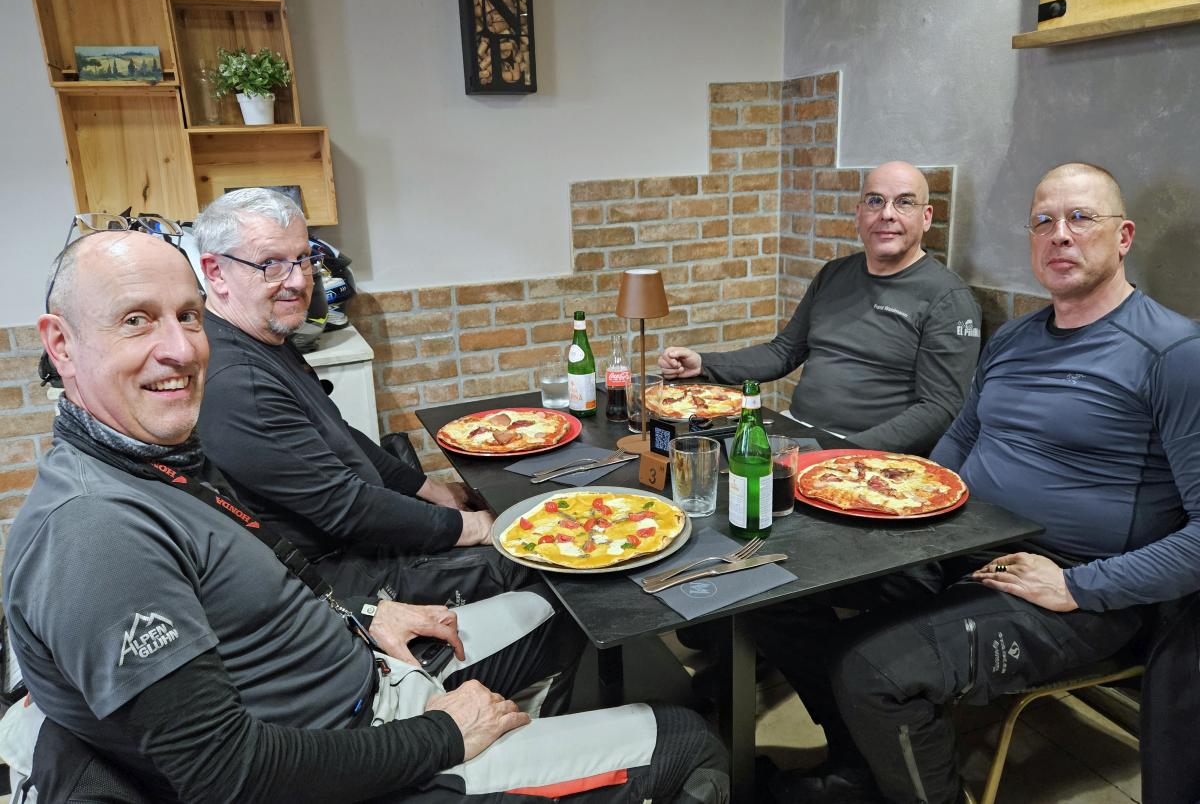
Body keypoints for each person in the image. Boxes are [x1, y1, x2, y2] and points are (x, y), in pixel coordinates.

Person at [1, 228, 728, 803]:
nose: (180, 349)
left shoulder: (152, 461)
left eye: (187, 317)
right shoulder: (94, 533)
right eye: (136, 321)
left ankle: (525, 757)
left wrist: (364, 616)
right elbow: (227, 775)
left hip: (367, 674)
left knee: (563, 610)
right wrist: (444, 737)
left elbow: (261, 582)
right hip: (353, 753)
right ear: (60, 344)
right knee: (689, 742)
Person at [757, 163, 1200, 804]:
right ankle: (863, 767)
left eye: (1081, 217)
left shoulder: (1175, 355)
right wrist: (910, 509)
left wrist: (1077, 586)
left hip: (1076, 587)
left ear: (1124, 236)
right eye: (1043, 221)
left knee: (871, 670)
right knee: (774, 590)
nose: (1060, 234)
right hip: (958, 543)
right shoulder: (1016, 338)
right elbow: (958, 443)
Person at [192, 188, 523, 610]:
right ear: (216, 272)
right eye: (270, 264)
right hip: (344, 573)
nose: (299, 281)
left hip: (360, 536)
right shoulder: (238, 382)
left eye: (303, 259)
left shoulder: (264, 334)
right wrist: (474, 527)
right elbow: (346, 508)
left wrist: (436, 491)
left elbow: (339, 435)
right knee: (532, 565)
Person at [659, 161, 981, 455]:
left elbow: (940, 409)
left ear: (927, 217)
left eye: (905, 202)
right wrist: (704, 364)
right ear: (859, 214)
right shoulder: (834, 274)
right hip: (797, 432)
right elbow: (783, 352)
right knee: (689, 457)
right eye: (875, 201)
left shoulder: (948, 298)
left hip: (867, 456)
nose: (887, 214)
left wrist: (843, 452)